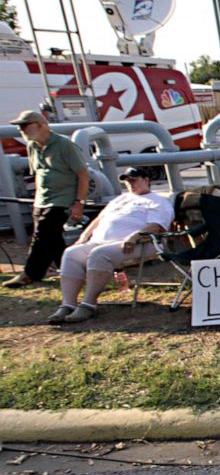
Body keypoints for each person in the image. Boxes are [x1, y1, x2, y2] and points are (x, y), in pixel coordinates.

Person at [45, 167, 174, 323]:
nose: (130, 184)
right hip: (100, 241)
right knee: (71, 253)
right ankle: (68, 304)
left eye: (134, 180)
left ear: (146, 180)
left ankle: (88, 304)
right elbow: (99, 219)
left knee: (99, 254)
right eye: (127, 181)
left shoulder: (158, 201)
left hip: (138, 243)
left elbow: (157, 225)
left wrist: (134, 237)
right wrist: (83, 237)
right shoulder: (121, 199)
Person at [4, 110, 89, 289]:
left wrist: (79, 203)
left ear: (41, 125)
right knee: (52, 239)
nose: (22, 130)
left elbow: (83, 174)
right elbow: (39, 173)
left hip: (62, 199)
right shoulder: (32, 146)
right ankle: (71, 270)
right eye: (20, 127)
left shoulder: (65, 145)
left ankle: (30, 273)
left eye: (26, 126)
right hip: (42, 199)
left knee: (42, 235)